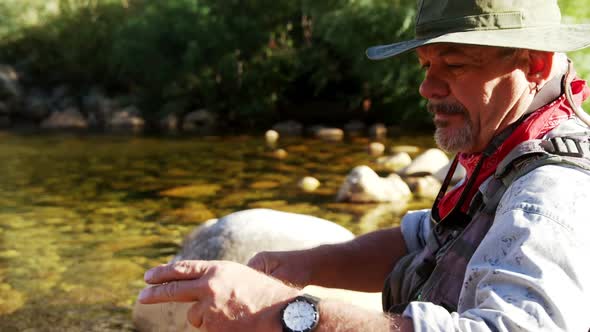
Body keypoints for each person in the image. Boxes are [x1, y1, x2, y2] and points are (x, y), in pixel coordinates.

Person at [138, 0, 590, 331]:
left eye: (452, 64)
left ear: (534, 64)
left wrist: (284, 312)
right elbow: (423, 240)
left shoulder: (551, 192)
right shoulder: (505, 147)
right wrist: (303, 264)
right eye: (425, 65)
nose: (427, 88)